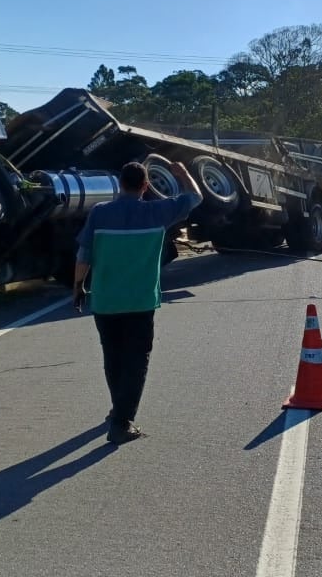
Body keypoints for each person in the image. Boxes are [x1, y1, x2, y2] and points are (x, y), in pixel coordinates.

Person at [73, 160, 202, 444]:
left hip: (105, 301)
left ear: (120, 184)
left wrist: (78, 287)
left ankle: (118, 409)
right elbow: (195, 198)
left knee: (113, 357)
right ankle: (121, 422)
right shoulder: (157, 212)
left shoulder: (100, 212)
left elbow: (83, 254)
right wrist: (182, 173)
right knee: (136, 360)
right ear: (145, 186)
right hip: (140, 301)